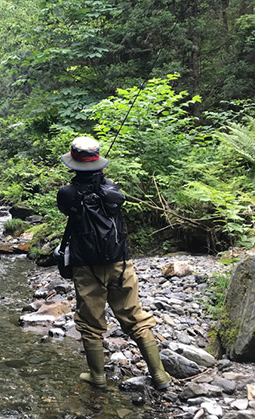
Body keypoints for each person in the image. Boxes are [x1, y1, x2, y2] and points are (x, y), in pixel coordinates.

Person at [56, 136, 171, 390]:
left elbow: (68, 208)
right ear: (100, 164)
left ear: (73, 164)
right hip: (120, 261)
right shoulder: (113, 191)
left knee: (90, 321)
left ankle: (97, 376)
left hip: (86, 266)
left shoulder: (67, 193)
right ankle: (160, 375)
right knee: (134, 317)